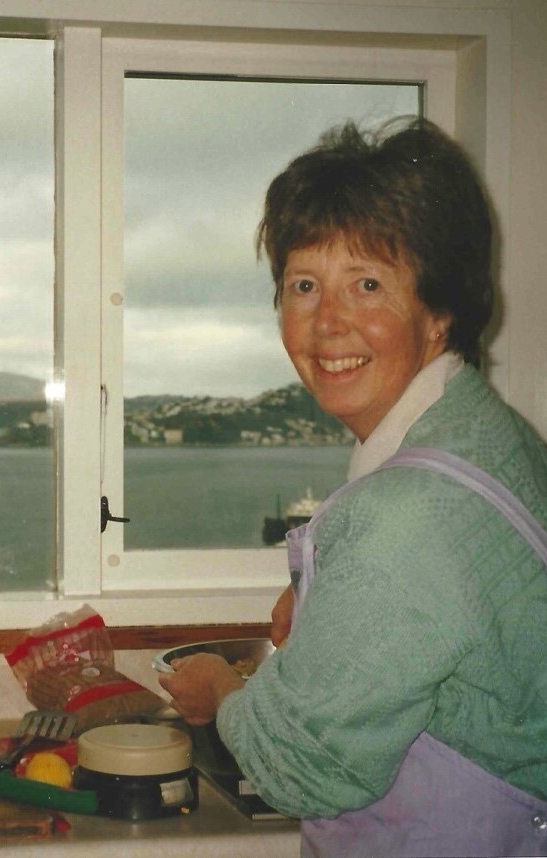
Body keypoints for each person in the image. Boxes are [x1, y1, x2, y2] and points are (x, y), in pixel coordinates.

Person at [159, 118, 547, 857]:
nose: (328, 322)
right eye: (304, 286)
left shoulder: (404, 515)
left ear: (439, 311)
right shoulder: (489, 433)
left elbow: (303, 767)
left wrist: (222, 693)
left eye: (367, 284)